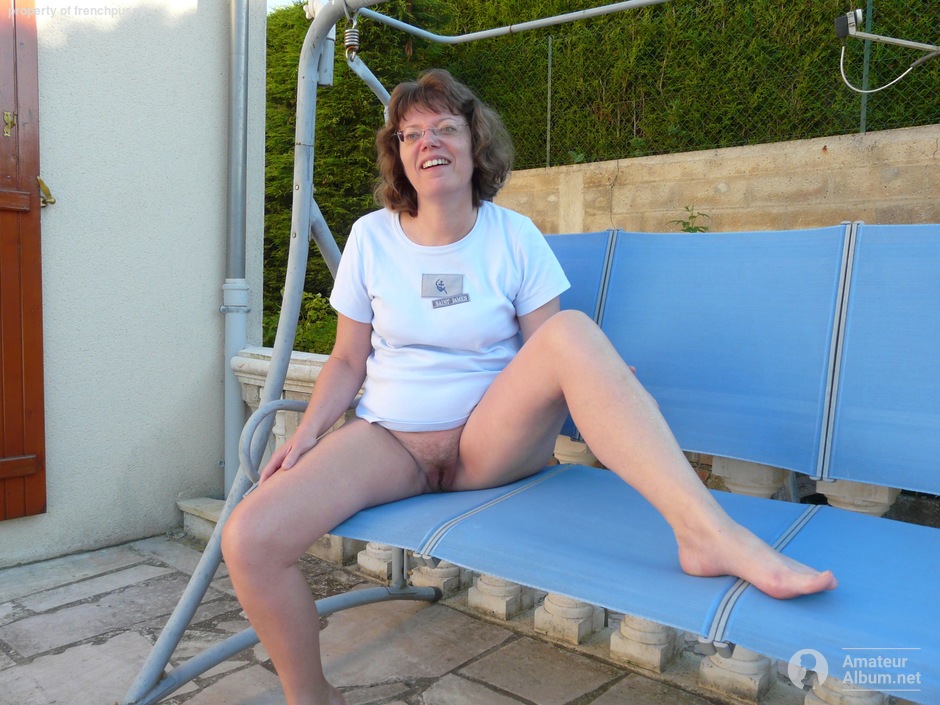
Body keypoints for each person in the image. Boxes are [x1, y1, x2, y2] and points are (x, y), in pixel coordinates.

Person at [222, 68, 837, 705]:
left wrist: (596, 370)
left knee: (571, 332)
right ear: (399, 155)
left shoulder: (514, 236)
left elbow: (551, 349)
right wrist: (309, 435)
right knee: (249, 539)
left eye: (445, 127)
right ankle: (311, 697)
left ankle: (708, 536)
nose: (429, 142)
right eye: (411, 133)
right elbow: (348, 359)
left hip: (491, 445)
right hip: (389, 444)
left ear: (474, 142)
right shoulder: (370, 237)